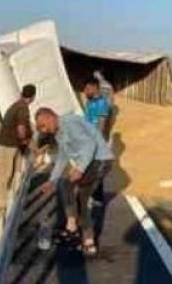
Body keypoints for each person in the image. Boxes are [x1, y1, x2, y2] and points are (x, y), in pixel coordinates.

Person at [36, 107, 114, 257]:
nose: (45, 130)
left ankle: (72, 226)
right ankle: (88, 241)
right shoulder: (58, 132)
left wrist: (79, 168)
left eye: (44, 126)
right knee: (78, 196)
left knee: (68, 185)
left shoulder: (70, 123)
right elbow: (63, 157)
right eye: (42, 129)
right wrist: (52, 180)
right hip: (91, 162)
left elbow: (90, 145)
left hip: (100, 160)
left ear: (51, 117)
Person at [0, 84, 36, 210]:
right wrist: (25, 142)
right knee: (5, 174)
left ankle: (13, 199)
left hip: (9, 144)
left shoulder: (17, 105)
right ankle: (3, 203)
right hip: (8, 145)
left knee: (15, 173)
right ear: (33, 96)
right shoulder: (22, 108)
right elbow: (21, 128)